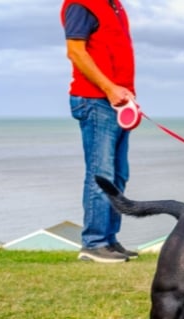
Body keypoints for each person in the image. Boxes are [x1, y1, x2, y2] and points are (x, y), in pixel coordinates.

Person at [61, 0, 138, 263]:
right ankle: (93, 243)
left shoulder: (114, 6)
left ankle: (109, 240)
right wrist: (109, 88)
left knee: (118, 174)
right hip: (95, 100)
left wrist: (125, 95)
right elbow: (75, 51)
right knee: (100, 172)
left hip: (116, 102)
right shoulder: (82, 4)